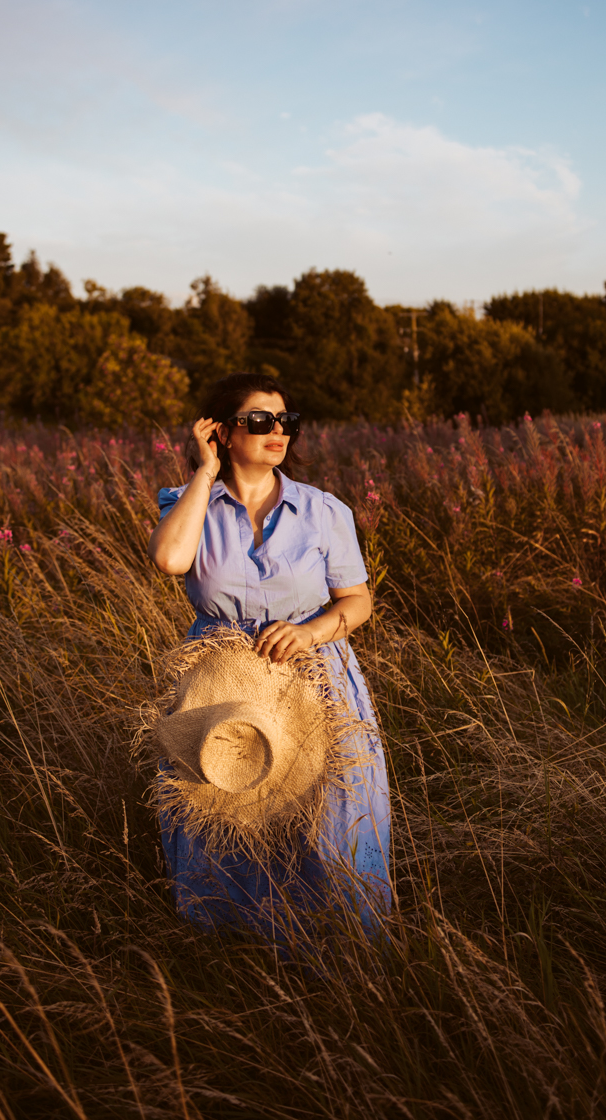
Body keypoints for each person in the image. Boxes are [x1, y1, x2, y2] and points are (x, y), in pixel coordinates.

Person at [148, 372, 391, 939]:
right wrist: (204, 474)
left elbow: (358, 602)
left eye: (287, 422)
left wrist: (310, 634)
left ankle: (335, 944)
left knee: (325, 818)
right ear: (223, 433)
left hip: (314, 677)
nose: (278, 431)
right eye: (260, 421)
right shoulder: (191, 504)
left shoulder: (323, 511)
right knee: (224, 804)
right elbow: (170, 561)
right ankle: (232, 950)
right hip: (220, 680)